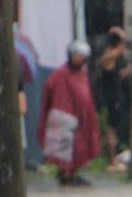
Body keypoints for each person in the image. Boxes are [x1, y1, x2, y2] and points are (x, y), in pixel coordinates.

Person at [39, 40, 100, 186]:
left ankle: (73, 173)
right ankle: (65, 173)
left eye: (81, 56)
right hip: (65, 118)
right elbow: (50, 91)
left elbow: (86, 96)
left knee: (81, 147)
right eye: (75, 55)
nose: (77, 59)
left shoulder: (83, 75)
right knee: (65, 146)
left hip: (83, 118)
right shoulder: (60, 74)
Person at [92, 26, 132, 169]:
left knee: (113, 128)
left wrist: (128, 70)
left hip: (115, 95)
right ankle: (112, 160)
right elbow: (109, 59)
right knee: (111, 130)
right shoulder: (111, 54)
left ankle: (113, 158)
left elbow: (117, 75)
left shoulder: (113, 56)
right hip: (111, 97)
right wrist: (120, 37)